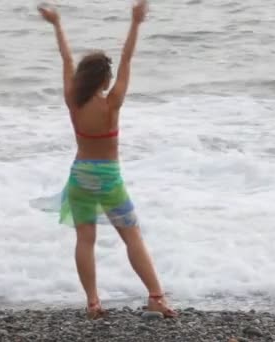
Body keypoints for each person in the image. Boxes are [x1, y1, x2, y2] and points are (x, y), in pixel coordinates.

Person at [38, 0, 177, 319]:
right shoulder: (112, 103)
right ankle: (156, 296)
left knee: (85, 239)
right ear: (105, 79)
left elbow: (66, 58)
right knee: (132, 236)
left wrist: (57, 24)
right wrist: (135, 23)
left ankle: (93, 303)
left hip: (80, 177)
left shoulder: (73, 100)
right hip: (109, 180)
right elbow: (128, 58)